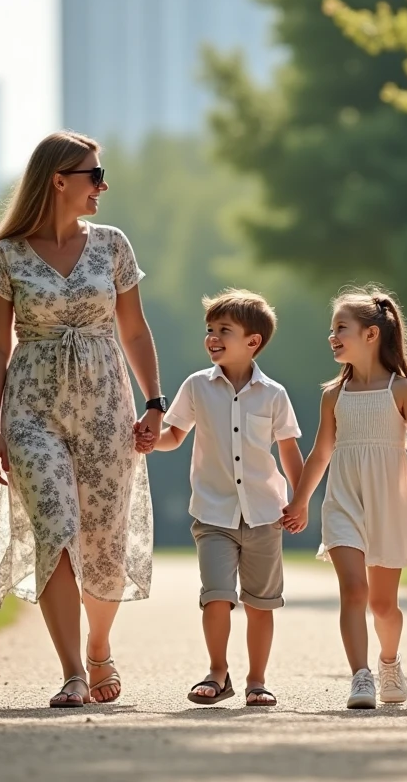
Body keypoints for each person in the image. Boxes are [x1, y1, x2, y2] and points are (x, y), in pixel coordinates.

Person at [0, 130, 165, 709]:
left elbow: (134, 330)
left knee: (103, 538)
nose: (103, 185)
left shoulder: (113, 245)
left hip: (106, 406)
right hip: (31, 409)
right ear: (59, 180)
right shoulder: (5, 257)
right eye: (93, 175)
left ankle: (99, 648)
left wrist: (154, 403)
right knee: (56, 527)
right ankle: (73, 670)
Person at [282, 287, 407, 709]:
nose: (332, 336)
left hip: (389, 501)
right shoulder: (333, 394)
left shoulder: (403, 389)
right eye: (331, 329)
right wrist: (300, 502)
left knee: (384, 605)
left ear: (371, 334)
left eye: (340, 328)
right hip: (343, 501)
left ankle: (389, 661)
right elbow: (320, 453)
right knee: (353, 590)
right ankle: (361, 676)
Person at [153, 289, 305, 707]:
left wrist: (300, 500)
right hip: (213, 512)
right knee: (216, 596)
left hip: (264, 515)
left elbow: (289, 452)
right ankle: (218, 672)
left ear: (252, 341)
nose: (212, 337)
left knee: (261, 603)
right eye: (210, 330)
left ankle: (257, 680)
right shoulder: (197, 386)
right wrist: (150, 441)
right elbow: (174, 435)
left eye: (224, 330)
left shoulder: (274, 394)